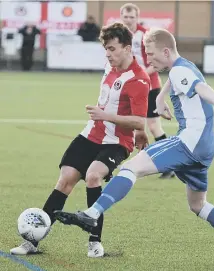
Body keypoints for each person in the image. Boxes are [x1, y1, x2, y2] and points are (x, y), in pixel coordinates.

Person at [54, 28, 214, 241]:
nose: (148, 59)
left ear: (165, 52)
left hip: (189, 142)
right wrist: (160, 98)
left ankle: (92, 213)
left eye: (151, 54)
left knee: (130, 168)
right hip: (206, 147)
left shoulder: (179, 71)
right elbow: (177, 80)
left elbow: (202, 88)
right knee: (198, 205)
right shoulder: (184, 66)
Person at [10, 23, 150, 257]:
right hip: (91, 134)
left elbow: (139, 122)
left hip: (117, 142)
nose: (108, 54)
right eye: (106, 49)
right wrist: (102, 116)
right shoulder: (110, 66)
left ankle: (95, 243)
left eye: (113, 49)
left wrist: (107, 116)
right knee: (65, 180)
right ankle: (33, 242)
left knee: (94, 176)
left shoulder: (138, 79)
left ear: (127, 48)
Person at [120, 3, 174, 179]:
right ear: (122, 17)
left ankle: (169, 163)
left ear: (137, 17)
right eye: (125, 17)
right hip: (130, 85)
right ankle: (133, 162)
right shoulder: (120, 35)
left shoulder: (145, 35)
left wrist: (139, 75)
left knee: (153, 125)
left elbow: (156, 62)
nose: (128, 20)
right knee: (128, 122)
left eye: (131, 17)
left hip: (150, 85)